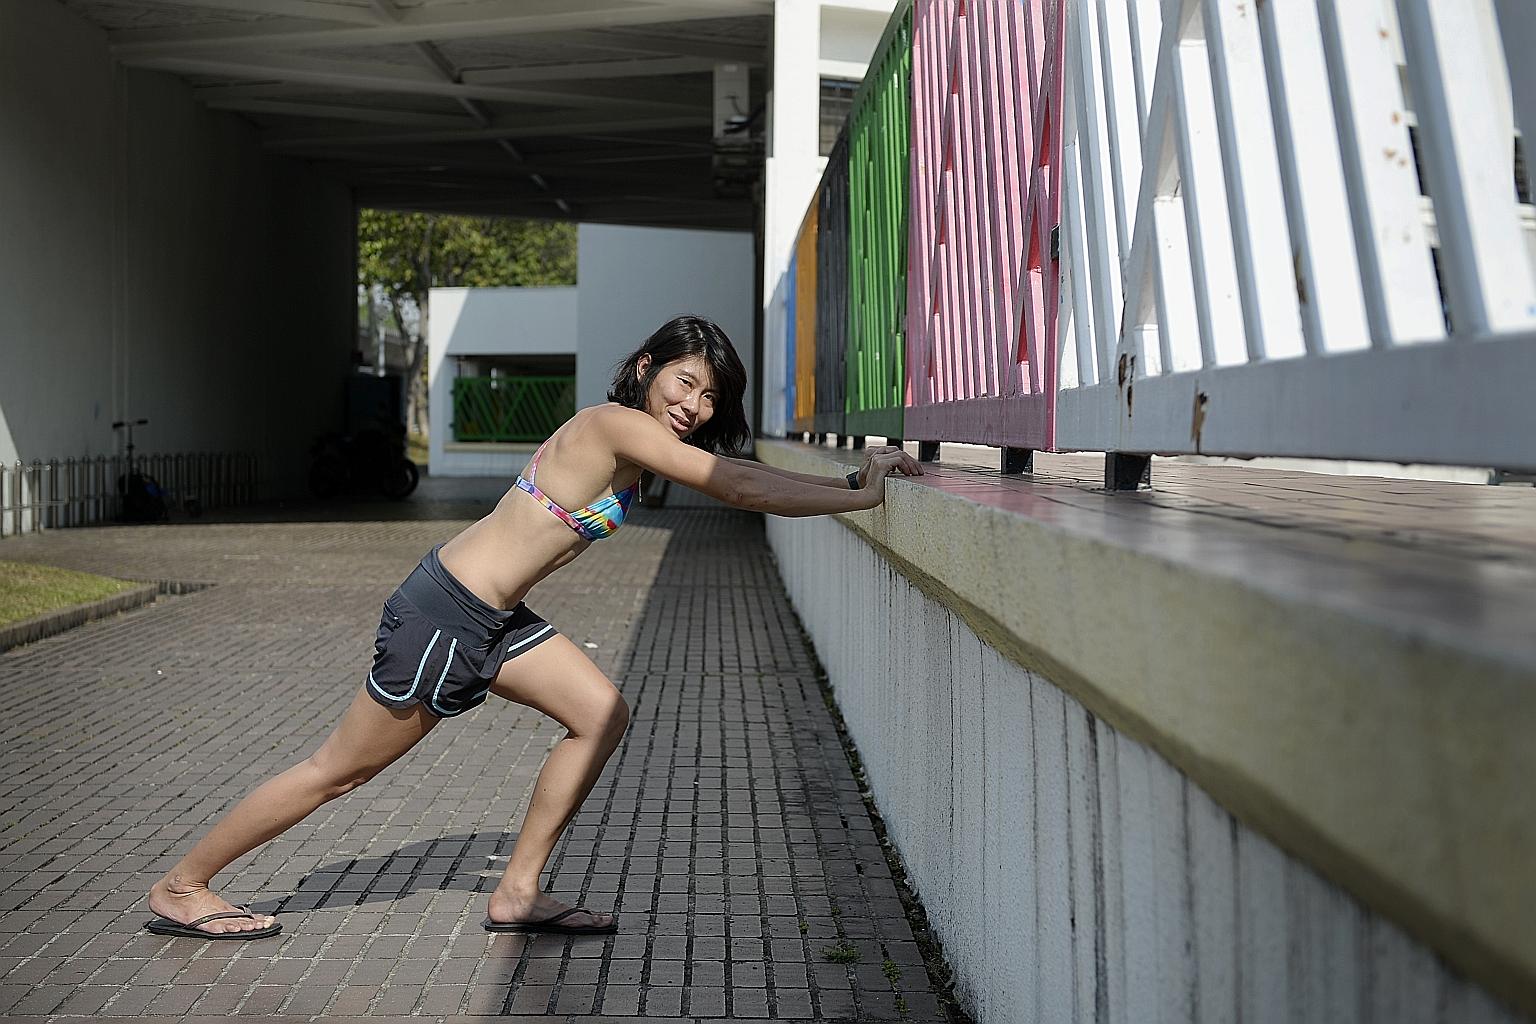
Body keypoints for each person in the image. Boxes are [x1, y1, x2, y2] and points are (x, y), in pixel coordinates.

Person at [143, 315, 923, 939]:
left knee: (599, 714)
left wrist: (853, 478)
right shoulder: (616, 424)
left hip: (492, 618)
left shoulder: (637, 445)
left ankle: (517, 891)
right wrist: (859, 497)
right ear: (649, 367)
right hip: (445, 614)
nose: (695, 406)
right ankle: (182, 884)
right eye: (686, 382)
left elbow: (744, 473)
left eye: (711, 397)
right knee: (337, 772)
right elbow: (741, 487)